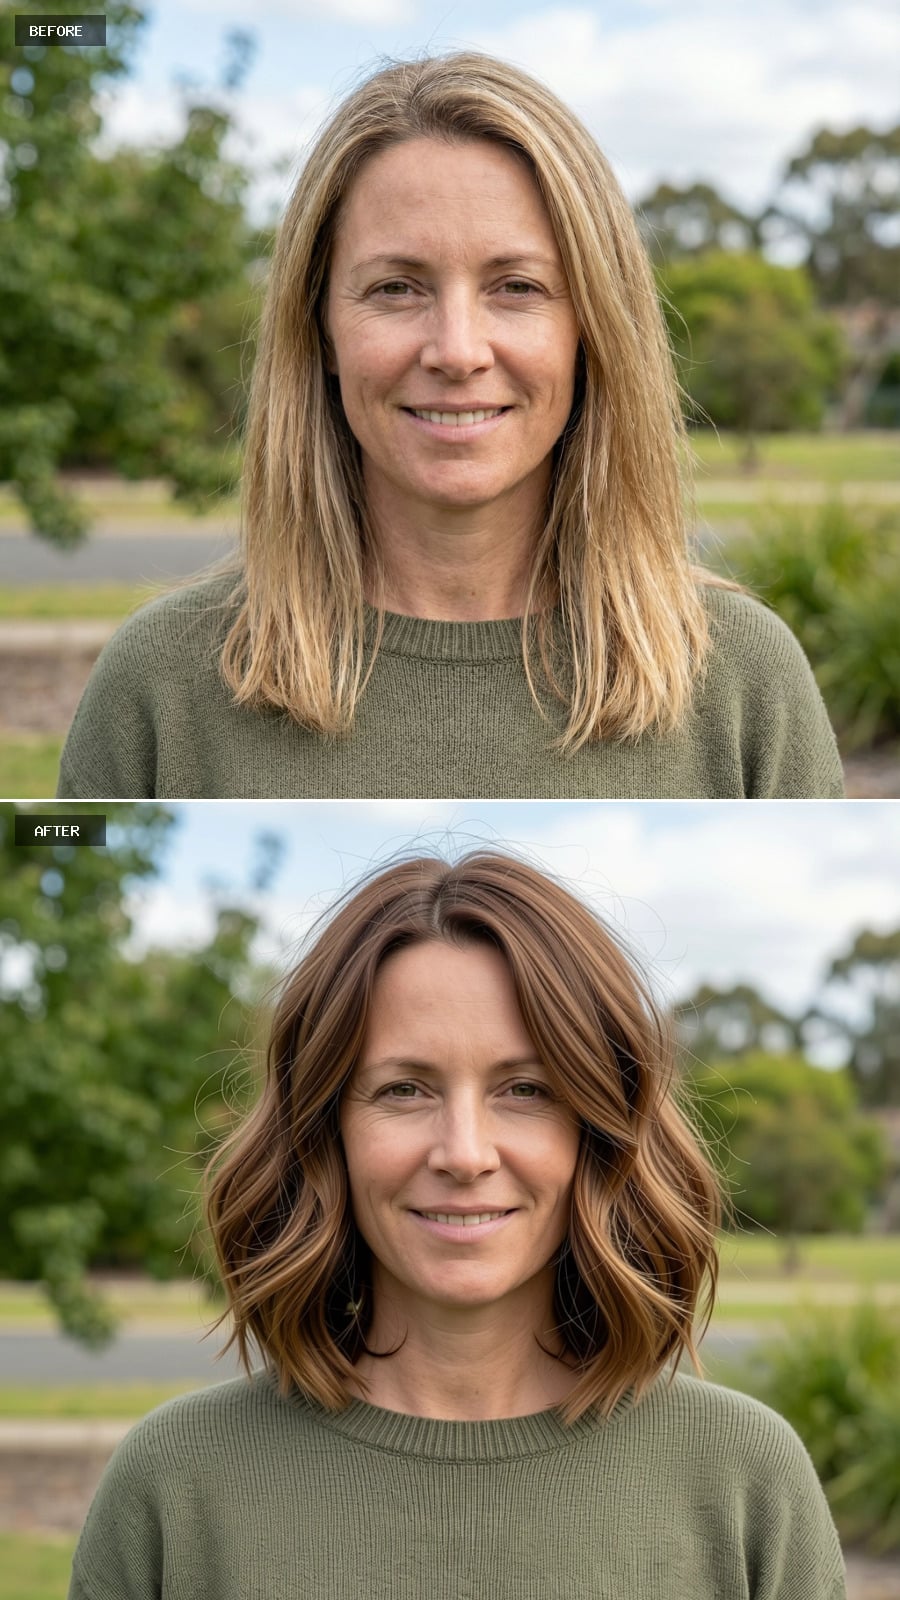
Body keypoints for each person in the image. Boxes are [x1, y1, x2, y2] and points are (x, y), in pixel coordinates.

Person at [57, 52, 842, 800]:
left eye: (517, 287)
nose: (457, 351)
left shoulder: (743, 679)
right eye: (396, 287)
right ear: (320, 327)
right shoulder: (159, 686)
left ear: (592, 329)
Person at [67, 851, 846, 1599]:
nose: (465, 1154)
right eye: (405, 1089)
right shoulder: (174, 1484)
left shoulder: (746, 1479)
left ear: (599, 1130)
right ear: (324, 1130)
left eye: (527, 1090)